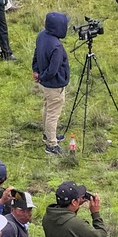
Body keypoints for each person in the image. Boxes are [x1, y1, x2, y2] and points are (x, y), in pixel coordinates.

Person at [33, 13, 71, 156]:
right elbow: (53, 70)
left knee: (48, 108)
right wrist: (42, 77)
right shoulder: (56, 46)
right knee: (53, 113)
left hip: (45, 84)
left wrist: (36, 71)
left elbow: (36, 54)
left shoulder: (42, 35)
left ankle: (48, 135)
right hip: (54, 85)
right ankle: (51, 144)